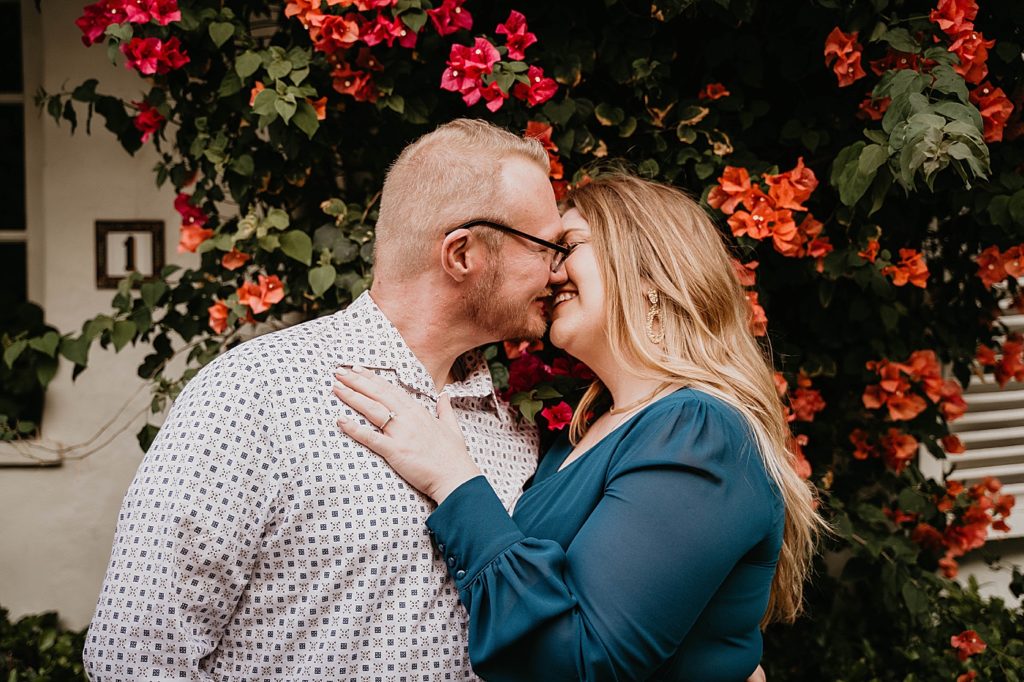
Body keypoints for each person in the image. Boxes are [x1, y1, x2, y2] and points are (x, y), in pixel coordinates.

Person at [81, 119, 570, 681]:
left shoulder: (513, 424)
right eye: (546, 247)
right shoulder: (252, 394)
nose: (559, 271)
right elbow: (134, 655)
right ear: (462, 254)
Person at [333, 173, 823, 680]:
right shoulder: (583, 435)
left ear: (649, 274)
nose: (551, 271)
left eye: (568, 246)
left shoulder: (698, 433)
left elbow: (584, 661)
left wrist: (453, 480)